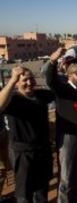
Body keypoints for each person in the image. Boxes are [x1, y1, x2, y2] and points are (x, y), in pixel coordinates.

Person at [0, 67, 54, 202]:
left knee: (42, 190)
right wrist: (12, 79)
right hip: (22, 152)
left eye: (31, 79)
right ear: (17, 83)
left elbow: (58, 89)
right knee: (24, 192)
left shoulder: (41, 95)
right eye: (25, 80)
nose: (29, 83)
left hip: (43, 150)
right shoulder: (12, 100)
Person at [44, 48, 77, 203]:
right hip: (67, 137)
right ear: (70, 76)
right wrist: (52, 61)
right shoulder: (62, 88)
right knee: (66, 175)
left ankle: (76, 196)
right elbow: (50, 80)